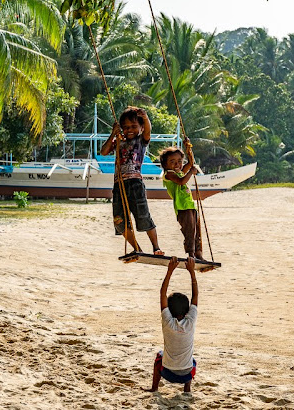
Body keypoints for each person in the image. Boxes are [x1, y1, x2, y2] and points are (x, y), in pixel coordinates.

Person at [101, 106, 163, 255]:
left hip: (135, 184)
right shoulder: (118, 141)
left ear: (140, 128)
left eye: (134, 126)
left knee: (143, 216)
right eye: (126, 127)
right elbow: (103, 152)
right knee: (120, 221)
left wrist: (146, 118)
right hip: (119, 185)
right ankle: (136, 248)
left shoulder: (141, 141)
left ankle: (156, 247)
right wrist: (113, 134)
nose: (129, 130)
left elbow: (148, 131)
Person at [146, 256, 198, 393]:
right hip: (187, 373)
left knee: (159, 356)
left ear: (169, 309)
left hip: (167, 372)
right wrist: (192, 272)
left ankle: (154, 388)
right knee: (192, 360)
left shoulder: (167, 321)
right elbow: (195, 297)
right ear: (187, 310)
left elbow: (162, 293)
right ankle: (187, 388)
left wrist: (170, 271)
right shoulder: (191, 321)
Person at [159, 138, 203, 260]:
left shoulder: (179, 171)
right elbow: (181, 181)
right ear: (165, 165)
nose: (177, 164)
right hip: (182, 208)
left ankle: (199, 253)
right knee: (189, 231)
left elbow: (190, 163)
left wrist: (188, 149)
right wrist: (190, 173)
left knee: (196, 231)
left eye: (179, 161)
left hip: (190, 205)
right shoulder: (169, 174)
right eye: (172, 162)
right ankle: (191, 254)